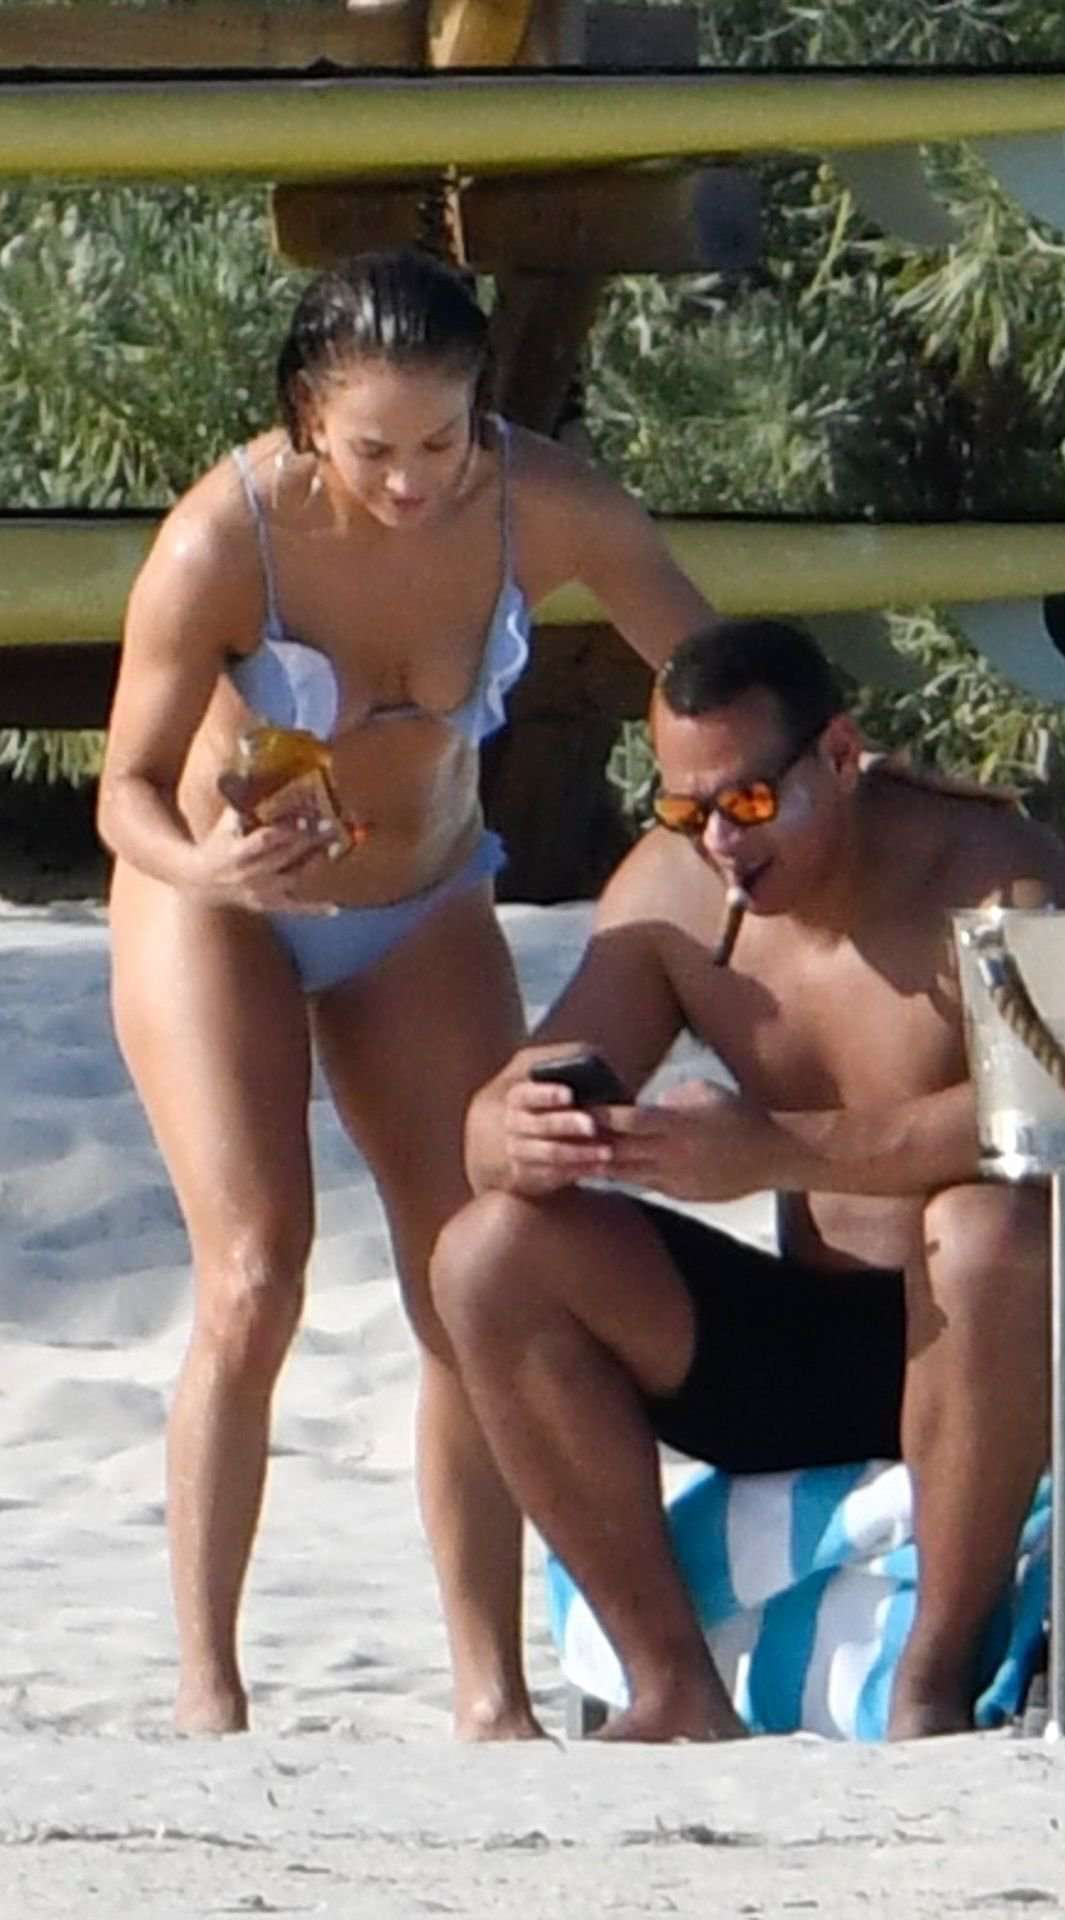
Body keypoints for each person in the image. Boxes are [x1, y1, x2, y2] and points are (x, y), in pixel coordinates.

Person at [97, 248, 713, 1738]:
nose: (414, 481)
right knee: (256, 1273)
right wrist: (208, 866)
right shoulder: (223, 539)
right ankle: (208, 1693)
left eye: (443, 440)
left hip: (420, 903)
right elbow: (123, 792)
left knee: (471, 1277)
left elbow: (721, 679)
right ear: (308, 415)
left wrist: (791, 800)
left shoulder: (542, 503)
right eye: (375, 449)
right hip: (221, 906)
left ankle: (491, 1697)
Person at [431, 616, 1065, 1743]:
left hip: (1061, 1327)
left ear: (838, 755)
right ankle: (671, 1687)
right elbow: (497, 1116)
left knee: (980, 1229)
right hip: (837, 1344)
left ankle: (932, 1684)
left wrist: (775, 1152)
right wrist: (513, 1130)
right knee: (488, 1253)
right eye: (683, 810)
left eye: (748, 802)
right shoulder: (670, 898)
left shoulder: (995, 868)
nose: (719, 841)